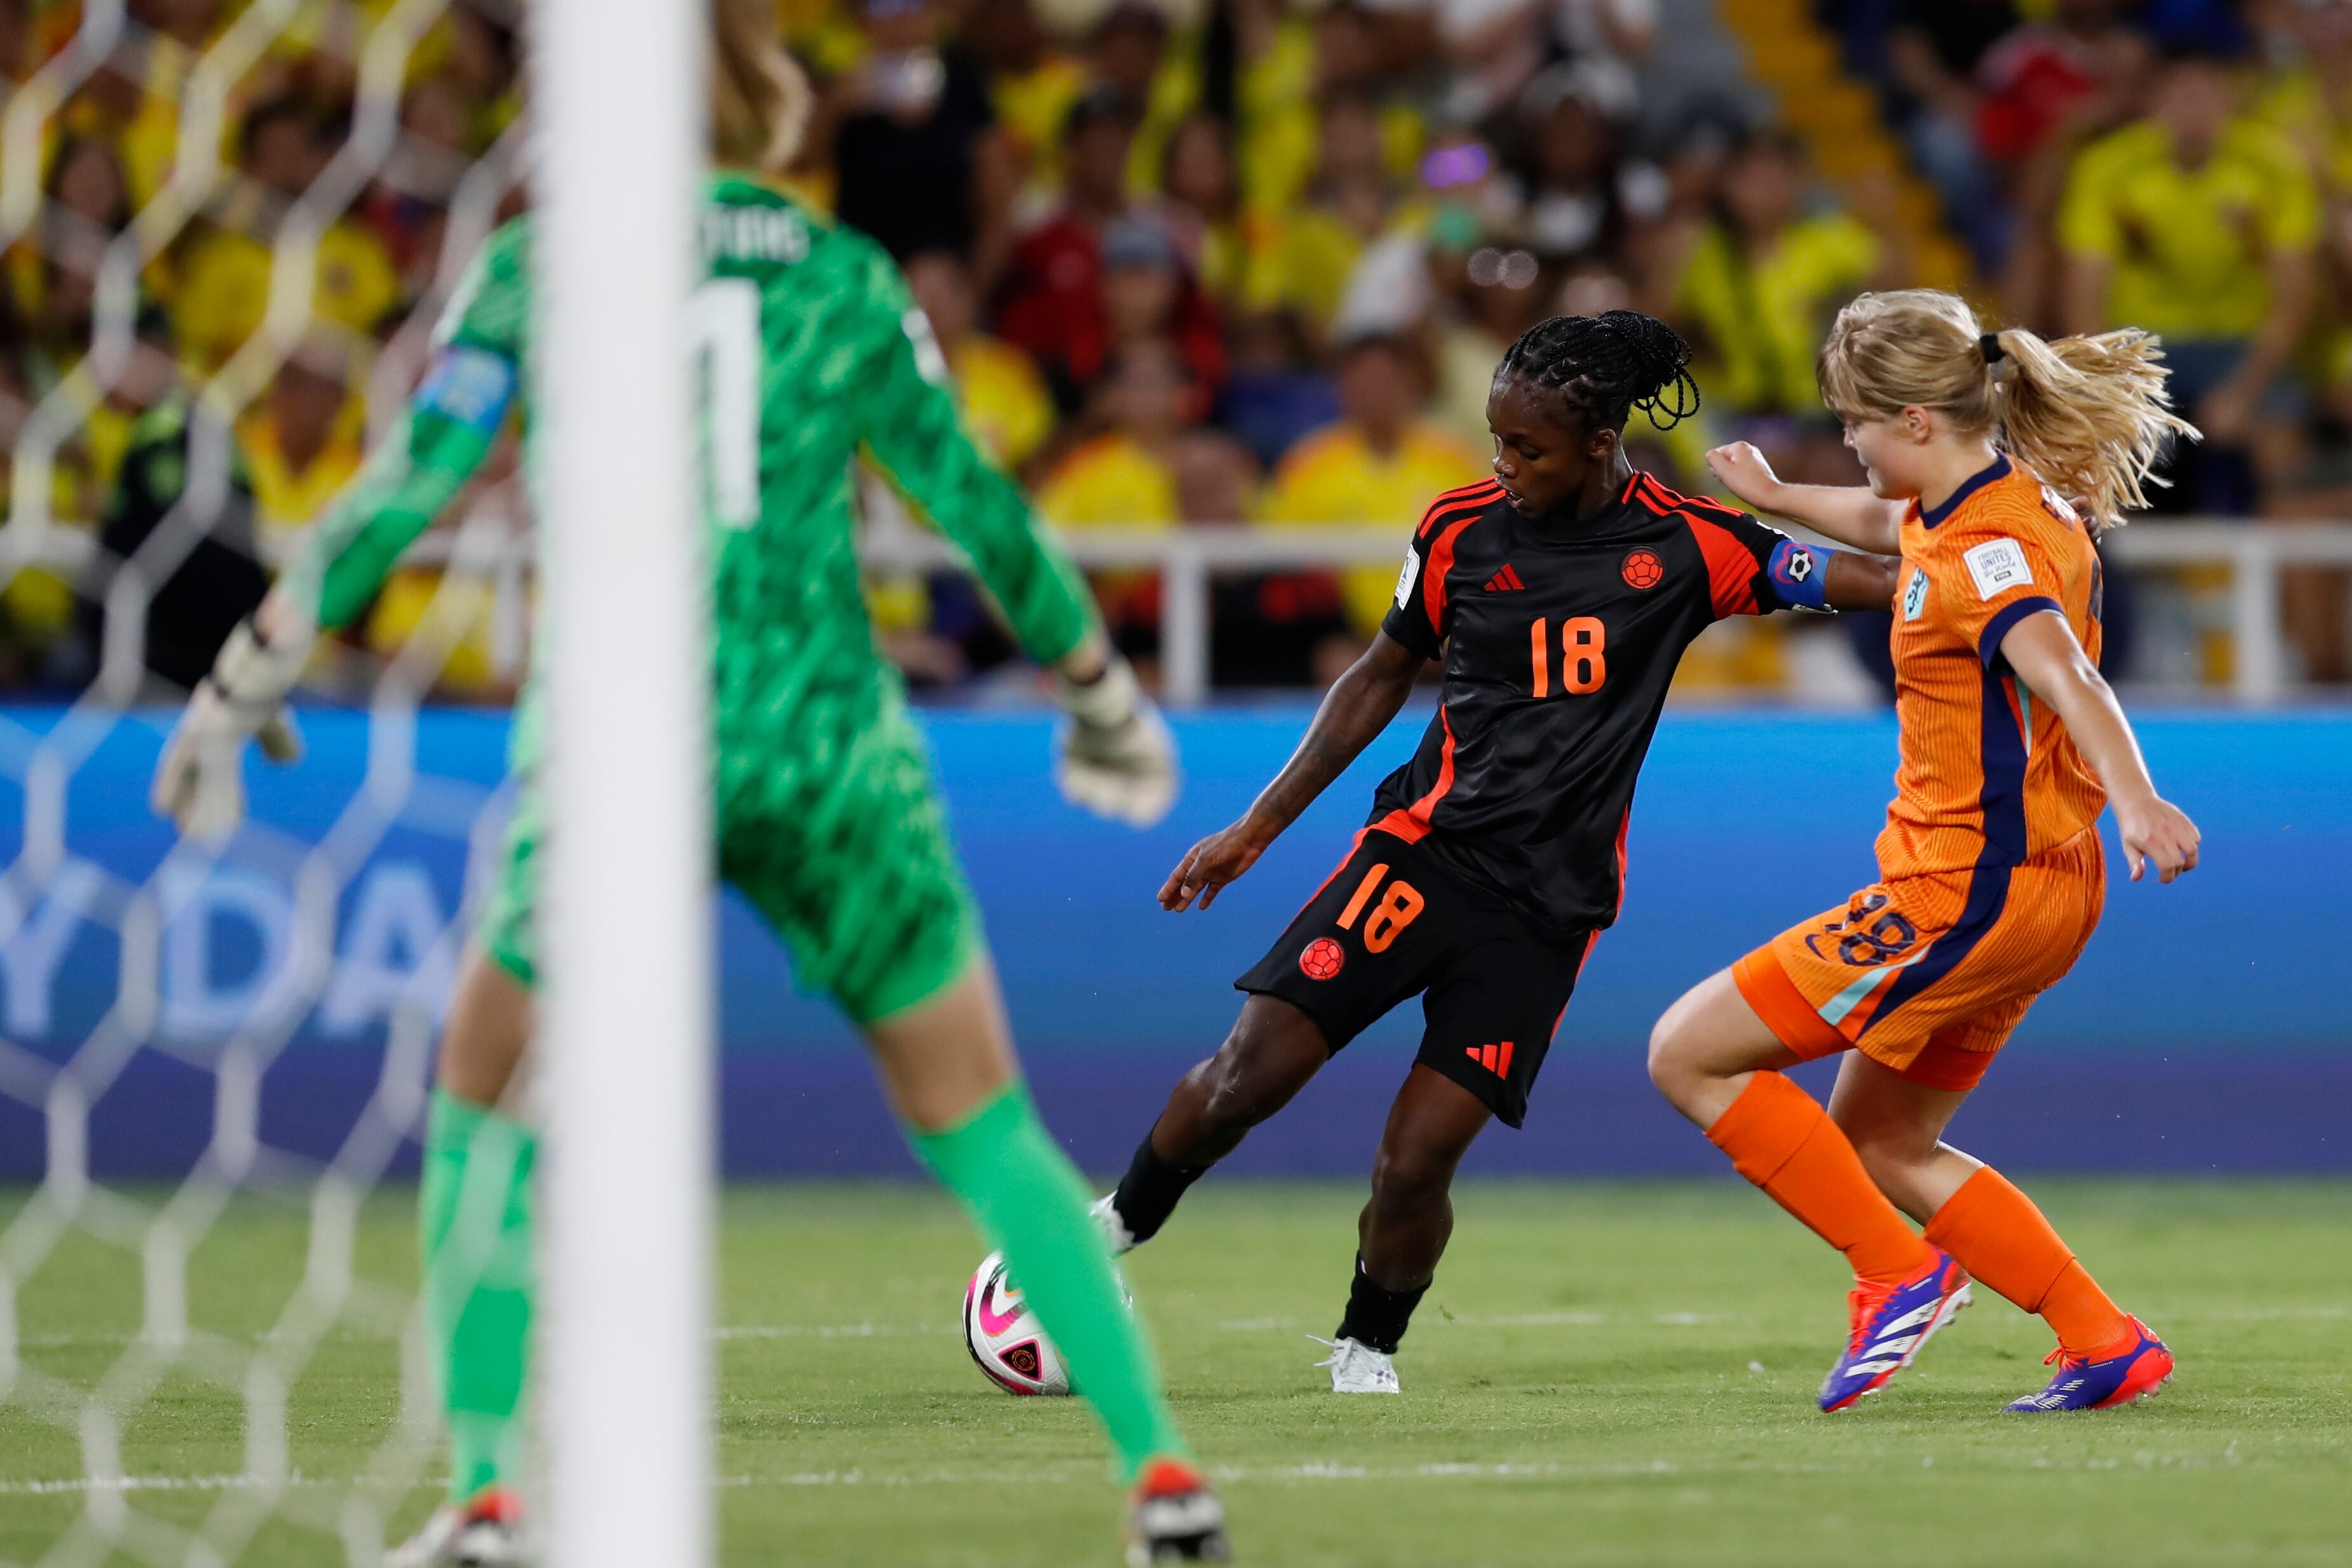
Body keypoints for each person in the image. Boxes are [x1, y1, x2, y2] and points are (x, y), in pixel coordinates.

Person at [146, 5, 1228, 1564]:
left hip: (625, 736)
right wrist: (1102, 695)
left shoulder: (537, 268)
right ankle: (1163, 1482)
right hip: (823, 734)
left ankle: (487, 1502)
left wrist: (250, 669)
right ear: (767, 107)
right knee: (984, 1118)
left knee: (488, 1100)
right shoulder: (843, 276)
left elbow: (412, 487)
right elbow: (973, 499)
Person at [1091, 311, 1900, 1393]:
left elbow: (1860, 579)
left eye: (1527, 449)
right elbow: (1378, 676)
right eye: (1496, 440)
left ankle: (1365, 1350)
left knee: (1418, 1156)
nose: (1502, 465)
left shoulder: (1688, 543)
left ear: (1602, 442)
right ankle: (1110, 1231)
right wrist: (1256, 826)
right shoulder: (1460, 530)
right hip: (1420, 858)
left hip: (1543, 913)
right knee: (1253, 1073)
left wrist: (1979, 558)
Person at [1648, 289, 2199, 1415]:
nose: (1844, 443)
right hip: (2048, 886)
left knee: (1686, 1055)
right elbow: (1882, 525)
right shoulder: (1996, 500)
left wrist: (2141, 797)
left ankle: (1896, 1275)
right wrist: (1774, 497)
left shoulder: (1983, 551)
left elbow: (2065, 673)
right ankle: (2103, 1340)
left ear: (1910, 421)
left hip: (1964, 889)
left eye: (1852, 422)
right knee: (1881, 1138)